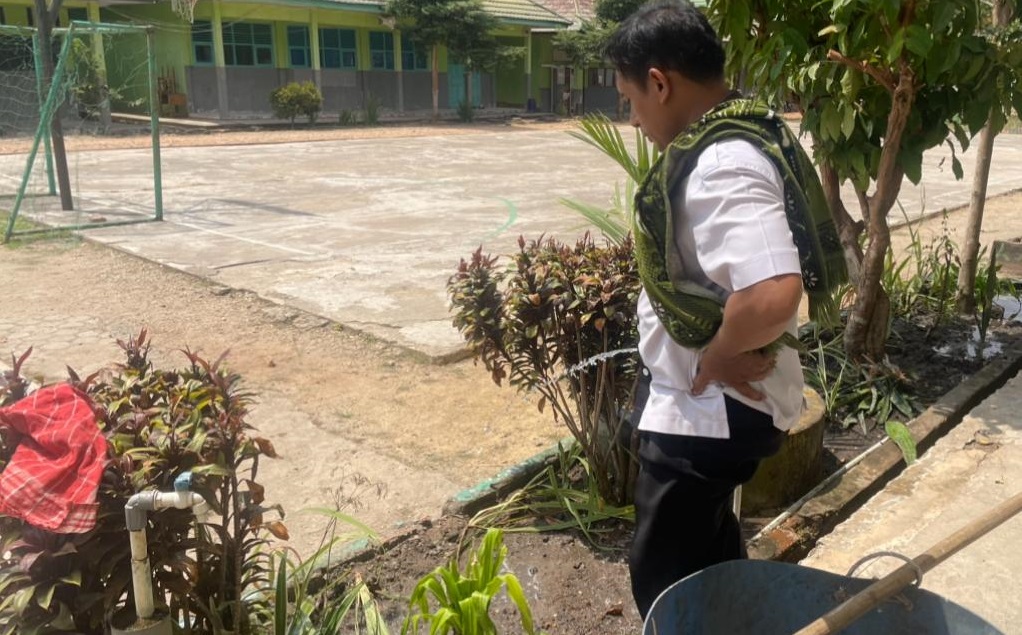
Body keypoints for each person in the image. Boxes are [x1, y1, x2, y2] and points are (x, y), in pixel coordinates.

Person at [604, 0, 847, 618]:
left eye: (630, 99)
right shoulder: (737, 137)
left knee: (664, 581)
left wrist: (713, 357)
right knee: (710, 561)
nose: (631, 118)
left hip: (707, 414)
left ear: (660, 83)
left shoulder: (720, 163)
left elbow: (770, 294)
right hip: (701, 404)